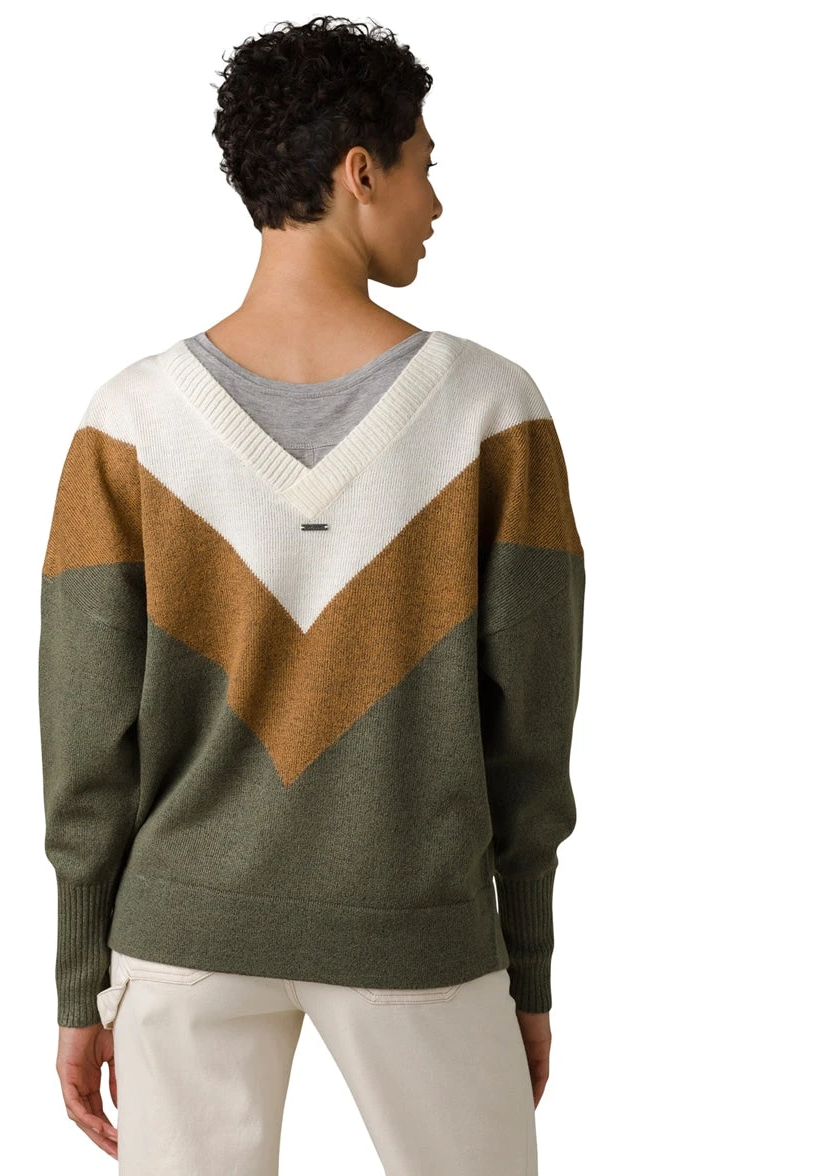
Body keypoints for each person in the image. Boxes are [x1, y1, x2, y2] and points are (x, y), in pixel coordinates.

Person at [39, 15, 585, 1175]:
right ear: (360, 171)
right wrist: (527, 968)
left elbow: (85, 740)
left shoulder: (127, 421)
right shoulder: (493, 412)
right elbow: (531, 739)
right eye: (425, 165)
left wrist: (82, 980)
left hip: (180, 934)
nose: (436, 202)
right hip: (420, 932)